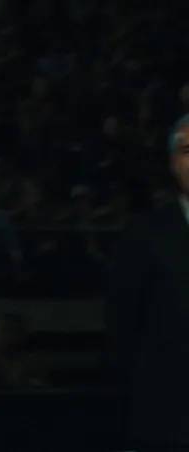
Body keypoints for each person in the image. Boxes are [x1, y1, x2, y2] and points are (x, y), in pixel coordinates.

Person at [106, 113, 189, 450]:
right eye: (187, 150)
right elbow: (123, 326)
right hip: (168, 424)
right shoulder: (145, 234)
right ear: (173, 163)